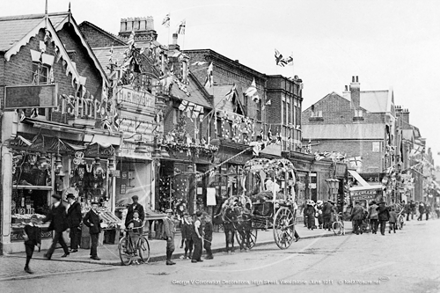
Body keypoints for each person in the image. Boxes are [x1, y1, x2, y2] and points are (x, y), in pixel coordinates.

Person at [43, 194, 69, 260]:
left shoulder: (62, 207)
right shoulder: (54, 206)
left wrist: (65, 226)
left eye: (53, 198)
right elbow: (50, 215)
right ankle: (66, 251)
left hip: (60, 226)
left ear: (56, 199)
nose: (52, 200)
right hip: (55, 225)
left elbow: (64, 217)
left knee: (55, 241)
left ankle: (49, 254)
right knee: (60, 240)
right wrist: (44, 221)